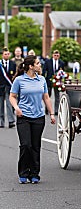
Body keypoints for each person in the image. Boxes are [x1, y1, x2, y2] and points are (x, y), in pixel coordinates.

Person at [9, 55, 56, 184]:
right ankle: (23, 172)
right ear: (31, 66)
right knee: (25, 145)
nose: (40, 65)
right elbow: (12, 96)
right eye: (37, 63)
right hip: (23, 116)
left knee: (35, 146)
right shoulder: (19, 80)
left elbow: (46, 97)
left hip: (38, 117)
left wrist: (52, 114)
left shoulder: (41, 80)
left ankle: (34, 173)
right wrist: (16, 108)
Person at [42, 50, 65, 115]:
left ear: (59, 55)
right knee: (48, 95)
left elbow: (63, 72)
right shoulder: (48, 62)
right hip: (49, 80)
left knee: (57, 96)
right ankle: (47, 108)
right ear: (52, 55)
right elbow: (44, 71)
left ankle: (56, 110)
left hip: (57, 82)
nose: (56, 56)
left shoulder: (61, 63)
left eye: (57, 55)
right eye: (55, 55)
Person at [0, 48, 17, 128]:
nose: (7, 55)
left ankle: (11, 121)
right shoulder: (0, 64)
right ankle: (1, 122)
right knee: (0, 105)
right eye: (5, 54)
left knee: (9, 104)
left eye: (8, 54)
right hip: (0, 87)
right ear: (2, 55)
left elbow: (14, 76)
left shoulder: (12, 64)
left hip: (9, 86)